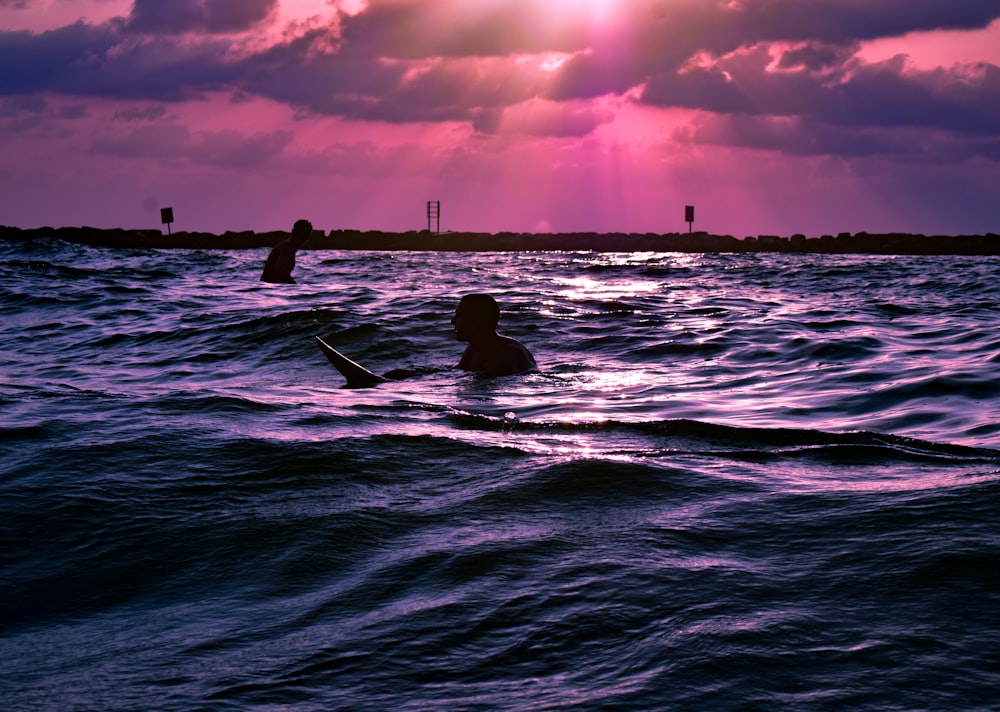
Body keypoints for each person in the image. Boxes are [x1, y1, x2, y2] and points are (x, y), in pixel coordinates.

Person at [451, 293, 537, 377]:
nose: (453, 321)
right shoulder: (472, 351)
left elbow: (531, 378)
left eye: (460, 316)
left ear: (477, 321)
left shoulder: (511, 353)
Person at [260, 219, 312, 283]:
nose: (303, 241)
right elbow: (281, 273)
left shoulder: (288, 246)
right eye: (302, 237)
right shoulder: (287, 247)